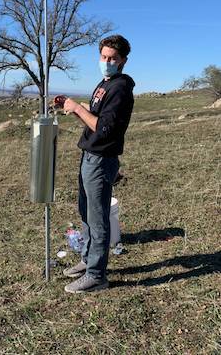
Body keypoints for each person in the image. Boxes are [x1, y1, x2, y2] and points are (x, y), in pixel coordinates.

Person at [54, 34, 135, 293]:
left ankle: (97, 275)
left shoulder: (120, 88)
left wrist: (78, 108)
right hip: (90, 155)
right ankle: (88, 261)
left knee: (98, 219)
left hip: (101, 160)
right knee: (86, 213)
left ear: (123, 61)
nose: (106, 61)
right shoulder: (104, 83)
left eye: (112, 58)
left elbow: (105, 129)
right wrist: (72, 107)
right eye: (103, 56)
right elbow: (95, 123)